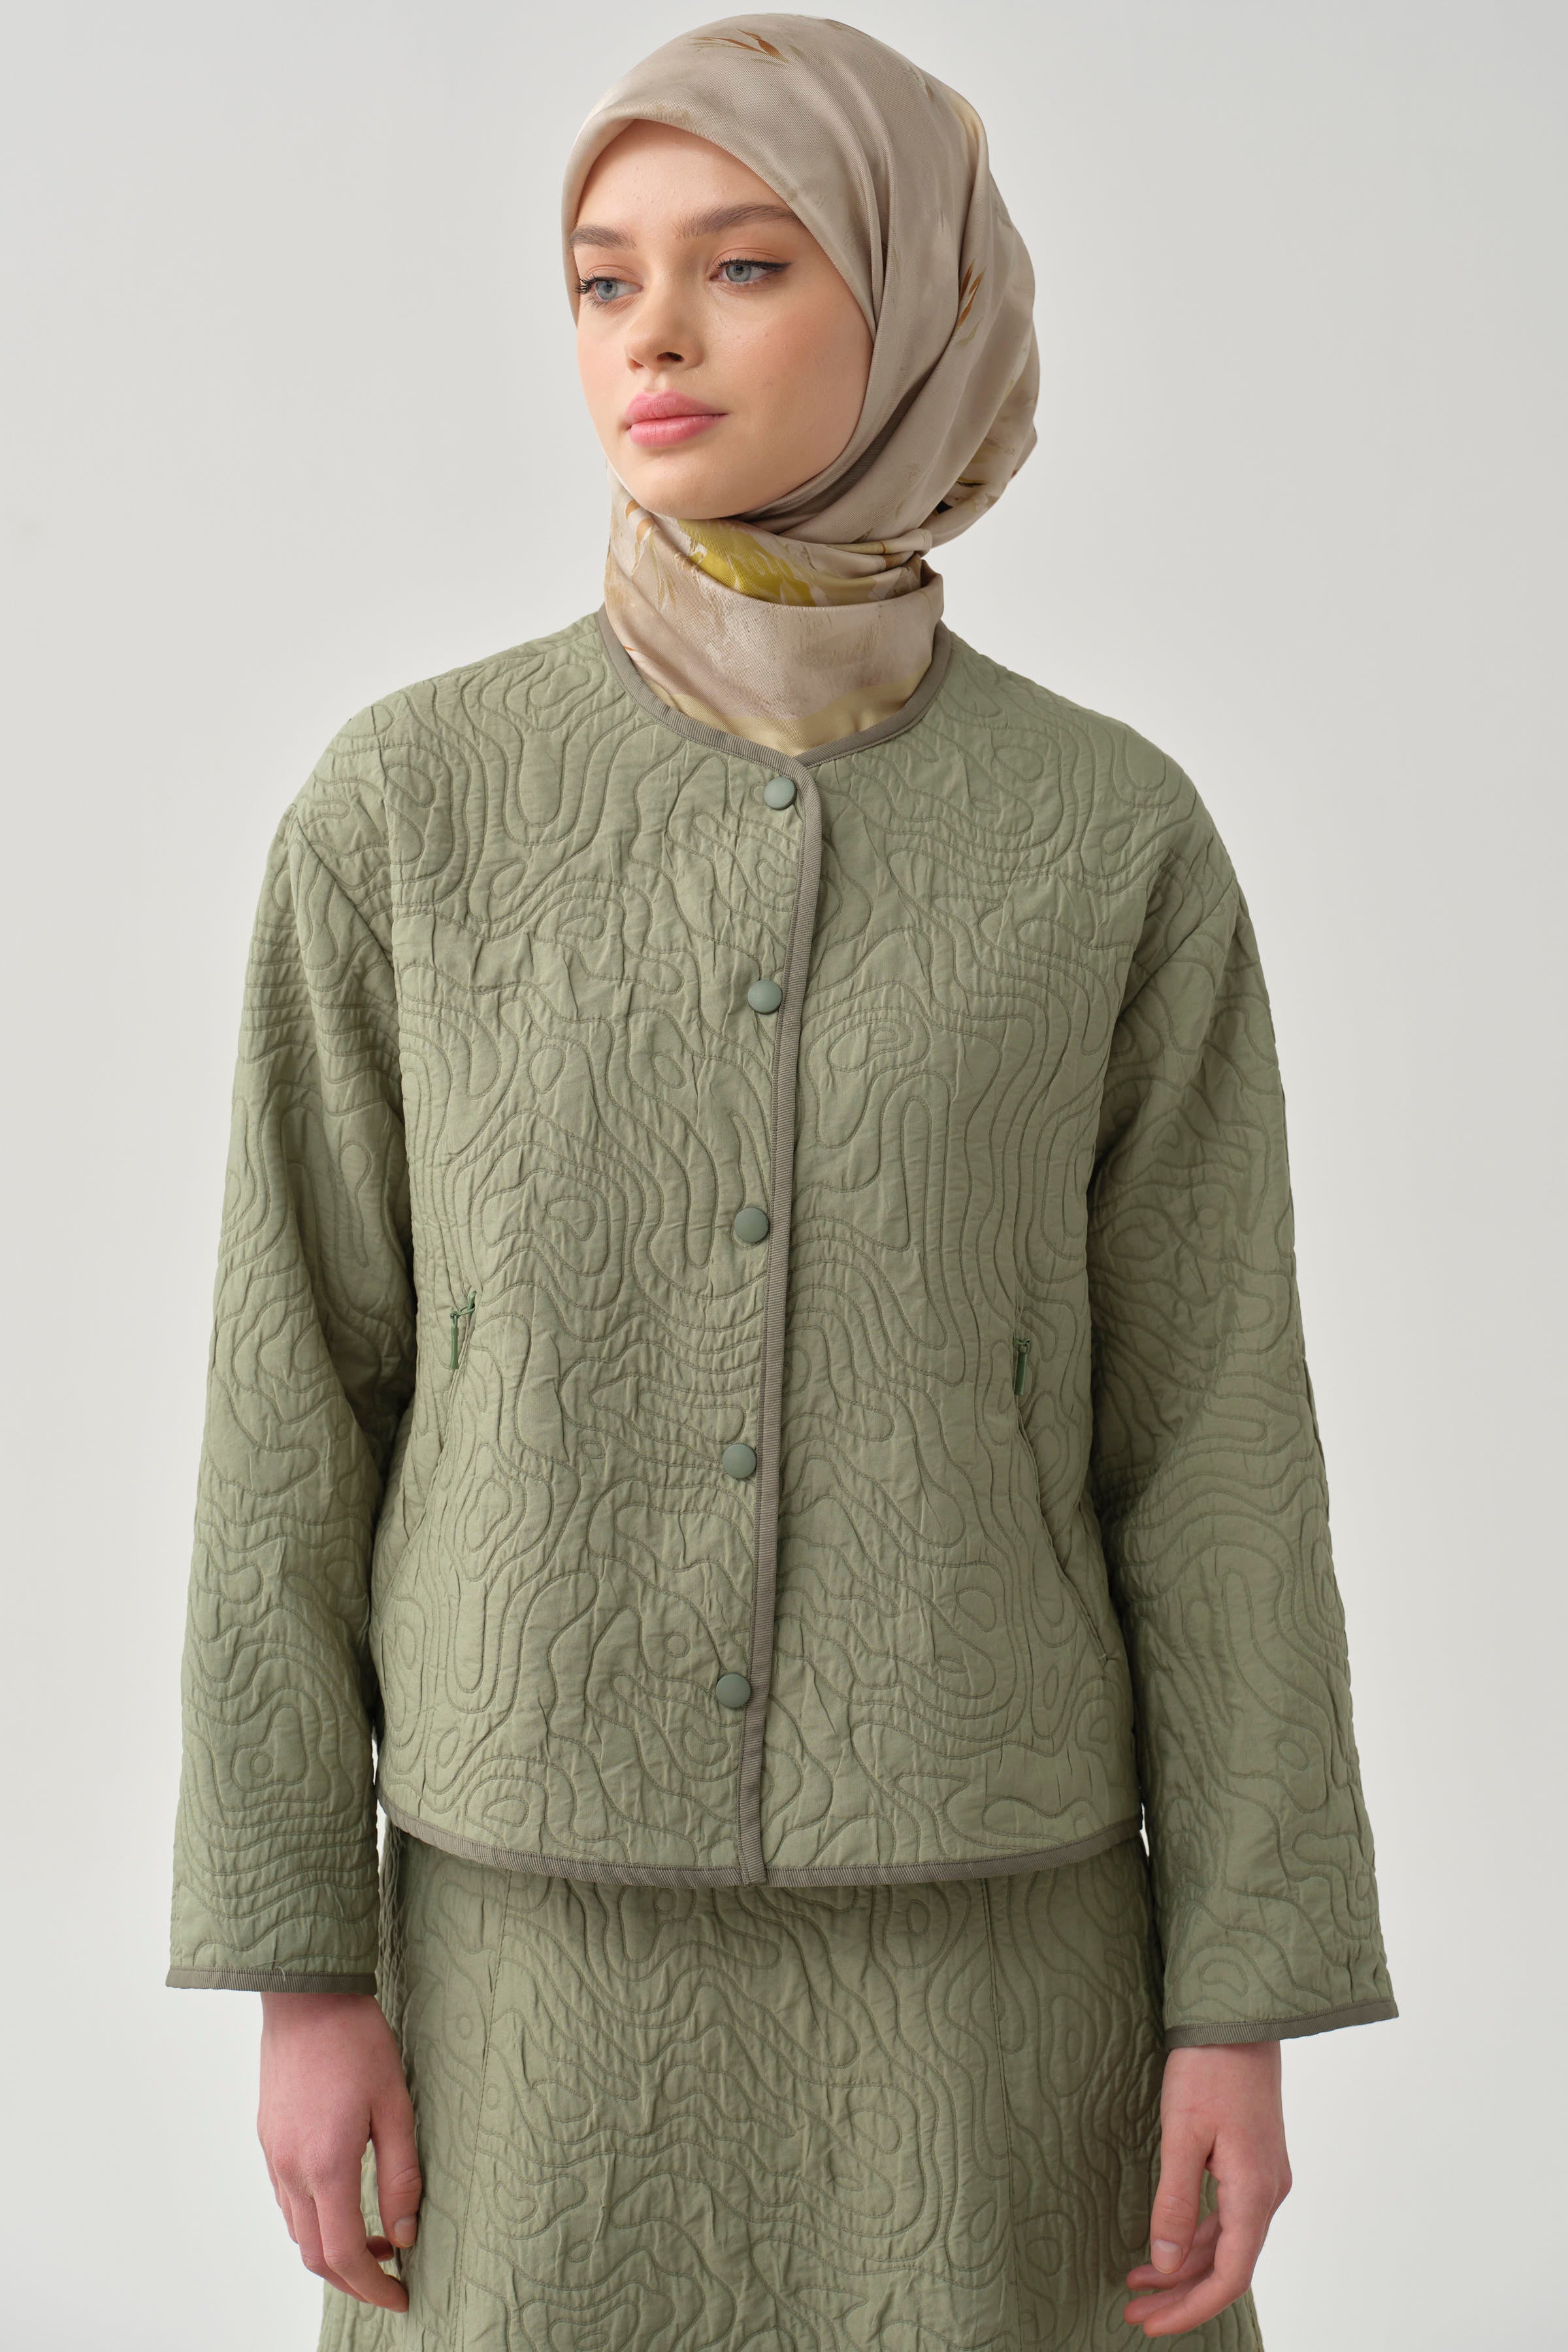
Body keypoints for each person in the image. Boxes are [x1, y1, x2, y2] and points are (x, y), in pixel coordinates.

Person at [165, 17, 1397, 2348]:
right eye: (601, 277)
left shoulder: (1110, 841)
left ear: (917, 302)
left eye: (742, 263)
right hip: (523, 1973)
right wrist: (298, 1967)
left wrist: (1243, 1996)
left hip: (994, 1970)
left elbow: (1218, 1439)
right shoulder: (406, 813)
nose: (653, 334)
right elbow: (290, 1409)